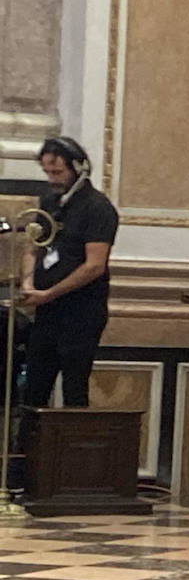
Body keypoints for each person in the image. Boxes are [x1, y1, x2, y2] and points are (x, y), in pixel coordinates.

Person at [20, 137, 118, 408]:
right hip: (47, 312)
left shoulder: (98, 208)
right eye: (47, 172)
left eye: (58, 172)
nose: (52, 179)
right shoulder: (49, 204)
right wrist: (28, 282)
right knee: (34, 387)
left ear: (79, 168)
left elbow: (94, 265)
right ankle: (26, 447)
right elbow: (33, 247)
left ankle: (71, 449)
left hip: (81, 312)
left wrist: (50, 293)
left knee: (74, 388)